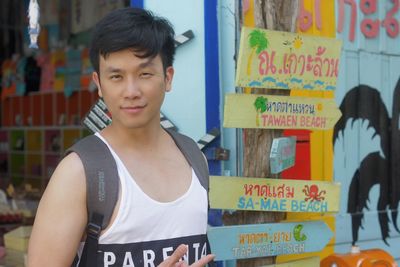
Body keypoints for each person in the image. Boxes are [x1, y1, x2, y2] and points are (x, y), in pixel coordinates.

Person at [28, 7, 215, 267]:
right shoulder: (80, 173)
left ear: (168, 77)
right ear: (100, 84)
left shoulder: (195, 159)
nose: (131, 91)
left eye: (145, 74)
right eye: (116, 76)